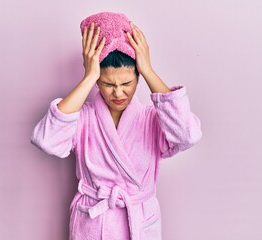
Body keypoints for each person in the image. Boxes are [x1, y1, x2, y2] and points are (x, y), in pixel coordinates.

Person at [30, 12, 202, 240]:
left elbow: (187, 134)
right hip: (93, 224)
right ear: (97, 82)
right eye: (108, 83)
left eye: (127, 83)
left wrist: (148, 70)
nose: (119, 93)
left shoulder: (152, 119)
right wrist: (88, 76)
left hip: (139, 223)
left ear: (138, 78)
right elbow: (47, 140)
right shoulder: (84, 119)